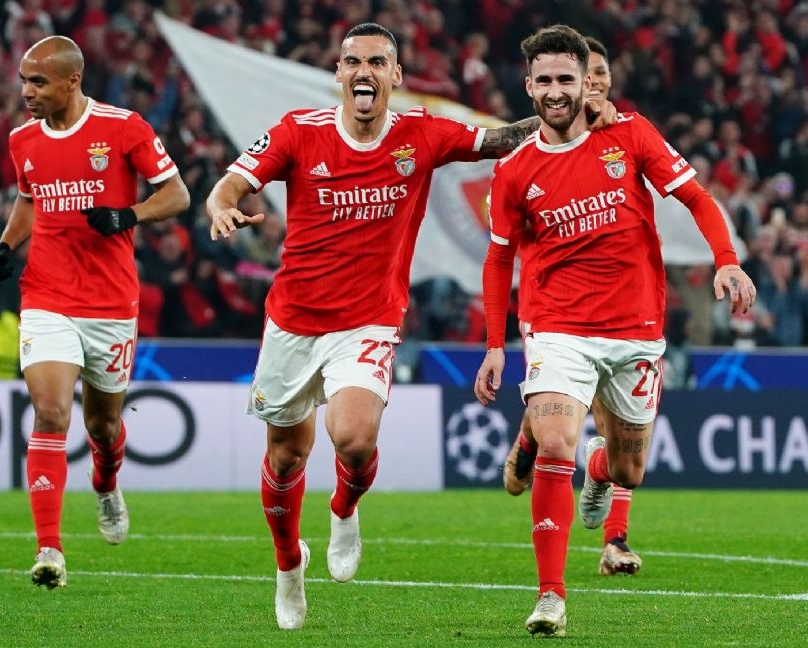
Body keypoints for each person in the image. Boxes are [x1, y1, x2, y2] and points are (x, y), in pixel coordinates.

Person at [206, 22, 615, 631]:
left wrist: (572, 109)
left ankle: (344, 507)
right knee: (286, 458)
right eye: (353, 61)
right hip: (292, 323)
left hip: (368, 320)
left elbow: (500, 139)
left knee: (353, 438)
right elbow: (233, 183)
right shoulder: (299, 130)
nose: (364, 71)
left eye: (377, 62)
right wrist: (221, 204)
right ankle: (289, 564)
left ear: (395, 76)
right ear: (339, 73)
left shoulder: (420, 133)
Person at [474, 25, 755, 637]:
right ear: (528, 87)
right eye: (544, 81)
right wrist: (495, 345)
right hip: (557, 327)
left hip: (635, 329)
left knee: (629, 471)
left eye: (566, 79)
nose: (555, 91)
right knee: (557, 442)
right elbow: (498, 261)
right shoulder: (514, 170)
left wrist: (726, 259)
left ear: (587, 83)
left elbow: (697, 197)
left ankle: (598, 468)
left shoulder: (629, 135)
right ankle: (551, 597)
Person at [0, 35, 190, 590]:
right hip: (46, 294)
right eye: (24, 82)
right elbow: (29, 199)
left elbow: (177, 195)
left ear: (72, 80)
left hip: (110, 302)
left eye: (38, 82)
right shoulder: (23, 139)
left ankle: (105, 483)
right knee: (51, 412)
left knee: (102, 425)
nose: (27, 92)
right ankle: (49, 549)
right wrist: (6, 245)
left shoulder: (123, 127)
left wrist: (128, 215)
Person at [500, 36, 646, 578]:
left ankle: (574, 468)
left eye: (601, 75)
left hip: (623, 310)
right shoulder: (537, 146)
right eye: (592, 74)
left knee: (623, 445)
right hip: (552, 311)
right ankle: (612, 540)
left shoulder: (621, 138)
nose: (596, 83)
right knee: (576, 426)